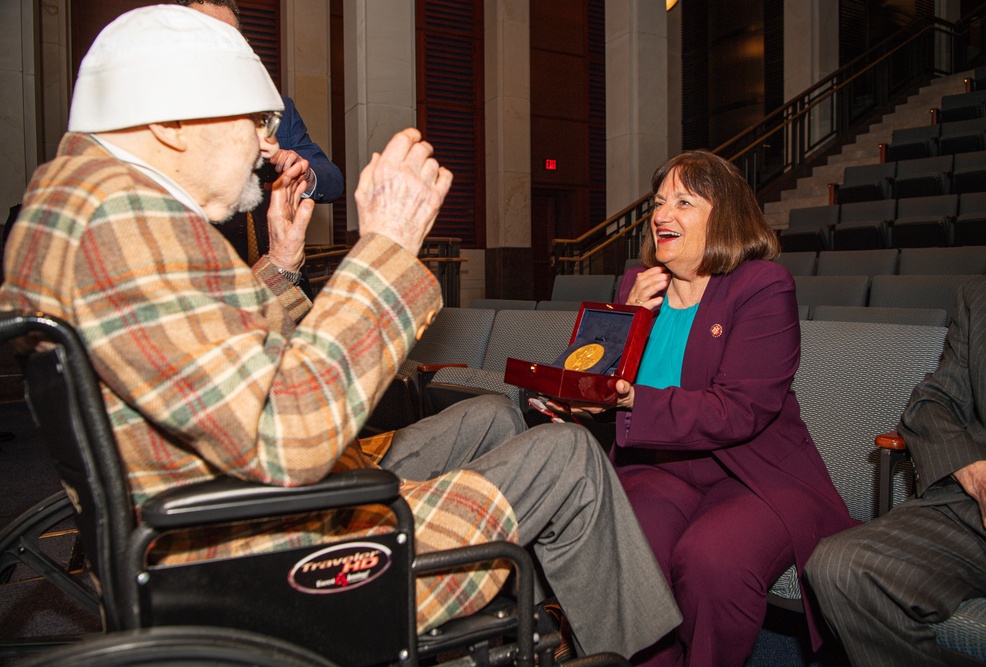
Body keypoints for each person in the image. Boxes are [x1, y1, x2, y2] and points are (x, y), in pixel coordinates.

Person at [0, 5, 680, 659]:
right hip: (265, 559)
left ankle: (501, 623)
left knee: (493, 420)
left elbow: (191, 352)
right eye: (257, 120)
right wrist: (384, 250)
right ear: (175, 122)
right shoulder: (125, 223)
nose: (270, 146)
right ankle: (639, 653)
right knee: (568, 455)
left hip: (216, 512)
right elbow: (286, 433)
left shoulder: (87, 204)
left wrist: (281, 266)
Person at [553, 151, 856, 666]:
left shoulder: (762, 285)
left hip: (754, 474)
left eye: (684, 201)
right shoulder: (637, 285)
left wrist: (631, 401)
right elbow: (588, 368)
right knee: (627, 551)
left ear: (724, 216)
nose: (662, 214)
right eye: (659, 202)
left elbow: (740, 410)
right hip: (660, 465)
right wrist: (628, 321)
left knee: (712, 561)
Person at [805, 272, 986, 666]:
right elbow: (932, 404)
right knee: (840, 567)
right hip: (977, 511)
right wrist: (982, 478)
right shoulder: (984, 297)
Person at [177, 0, 344, 298]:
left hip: (283, 283)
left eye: (230, 40)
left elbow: (332, 180)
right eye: (206, 38)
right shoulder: (161, 118)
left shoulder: (278, 108)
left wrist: (302, 175)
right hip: (201, 289)